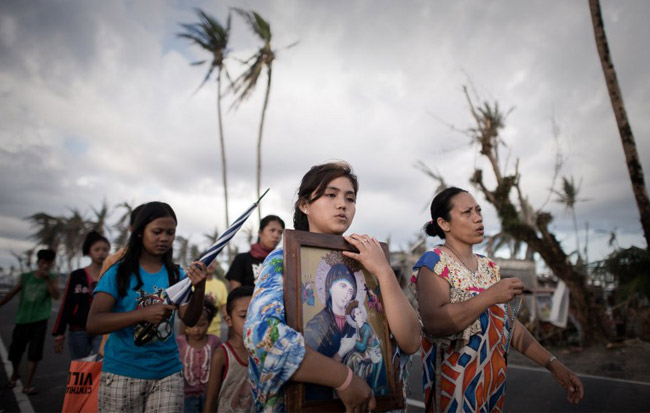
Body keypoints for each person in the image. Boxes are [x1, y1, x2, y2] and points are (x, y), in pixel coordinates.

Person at [244, 161, 420, 411]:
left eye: (350, 198)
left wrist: (383, 271)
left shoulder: (367, 260)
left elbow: (410, 341)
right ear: (305, 205)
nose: (342, 205)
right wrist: (344, 379)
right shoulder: (283, 260)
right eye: (331, 195)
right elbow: (262, 336)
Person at [412, 187, 584, 412]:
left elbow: (507, 324)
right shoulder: (434, 263)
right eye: (467, 212)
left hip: (492, 387)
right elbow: (436, 323)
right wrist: (491, 296)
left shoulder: (489, 268)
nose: (478, 217)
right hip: (453, 393)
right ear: (444, 224)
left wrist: (552, 363)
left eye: (478, 210)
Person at [86, 201, 208, 412]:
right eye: (157, 231)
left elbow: (189, 319)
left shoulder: (177, 274)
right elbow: (94, 323)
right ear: (140, 232)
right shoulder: (119, 273)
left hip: (168, 374)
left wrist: (200, 288)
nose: (164, 238)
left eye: (170, 233)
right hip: (122, 373)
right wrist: (141, 314)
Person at [0, 249, 59, 395]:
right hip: (22, 319)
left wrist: (47, 279)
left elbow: (56, 295)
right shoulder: (26, 277)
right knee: (15, 352)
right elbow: (11, 293)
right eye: (43, 262)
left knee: (34, 353)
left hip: (40, 321)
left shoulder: (52, 277)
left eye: (48, 263)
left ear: (51, 264)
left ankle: (27, 384)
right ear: (38, 262)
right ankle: (15, 373)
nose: (45, 266)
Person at [52, 231, 110, 360]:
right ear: (88, 251)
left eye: (105, 250)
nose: (101, 253)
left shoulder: (110, 275)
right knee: (80, 367)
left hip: (101, 328)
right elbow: (67, 303)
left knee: (100, 363)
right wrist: (59, 332)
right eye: (97, 249)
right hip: (78, 329)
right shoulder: (77, 275)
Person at [204, 286, 254, 413]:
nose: (251, 321)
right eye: (243, 316)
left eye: (256, 314)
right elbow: (211, 400)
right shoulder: (222, 355)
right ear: (229, 320)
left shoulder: (267, 351)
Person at [177, 298, 221, 412]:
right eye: (193, 325)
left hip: (208, 395)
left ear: (209, 323)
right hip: (185, 396)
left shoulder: (215, 342)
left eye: (202, 325)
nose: (197, 329)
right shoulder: (179, 343)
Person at [226, 215, 285, 289]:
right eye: (272, 230)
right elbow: (235, 294)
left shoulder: (282, 261)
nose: (276, 236)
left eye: (280, 232)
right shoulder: (242, 259)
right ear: (260, 233)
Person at [343, 300, 385, 392]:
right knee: (350, 357)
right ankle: (354, 382)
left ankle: (358, 382)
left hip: (373, 352)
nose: (360, 314)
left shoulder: (366, 327)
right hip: (367, 350)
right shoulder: (358, 326)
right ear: (354, 317)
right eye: (357, 314)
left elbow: (362, 346)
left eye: (360, 312)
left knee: (354, 358)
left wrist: (353, 341)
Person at [204, 260, 228, 341]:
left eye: (213, 262)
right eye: (209, 260)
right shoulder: (194, 284)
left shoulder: (221, 285)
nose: (210, 264)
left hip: (215, 332)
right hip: (194, 332)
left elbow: (225, 310)